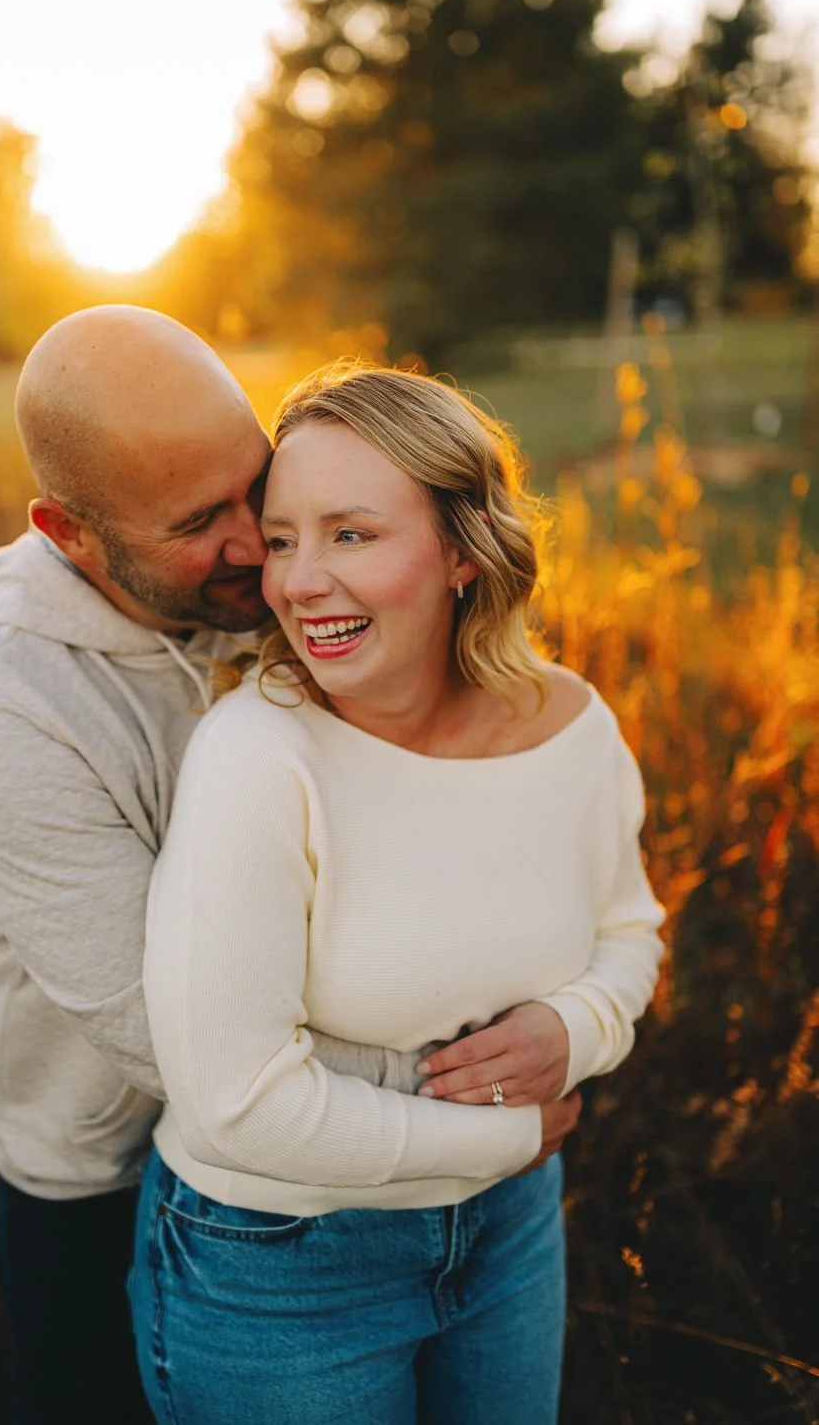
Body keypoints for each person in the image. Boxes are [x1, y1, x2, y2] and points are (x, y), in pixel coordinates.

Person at [0, 309, 443, 1425]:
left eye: (250, 483)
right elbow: (172, 1037)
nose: (259, 543)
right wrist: (460, 1082)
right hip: (99, 1172)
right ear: (70, 533)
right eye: (199, 521)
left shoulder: (279, 579)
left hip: (317, 1138)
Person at [132, 363, 666, 1425]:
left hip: (513, 1231)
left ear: (462, 553)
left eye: (351, 534)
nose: (298, 582)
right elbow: (236, 1105)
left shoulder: (569, 726)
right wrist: (509, 1138)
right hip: (284, 1266)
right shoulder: (259, 756)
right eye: (281, 539)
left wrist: (577, 1029)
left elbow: (629, 932)